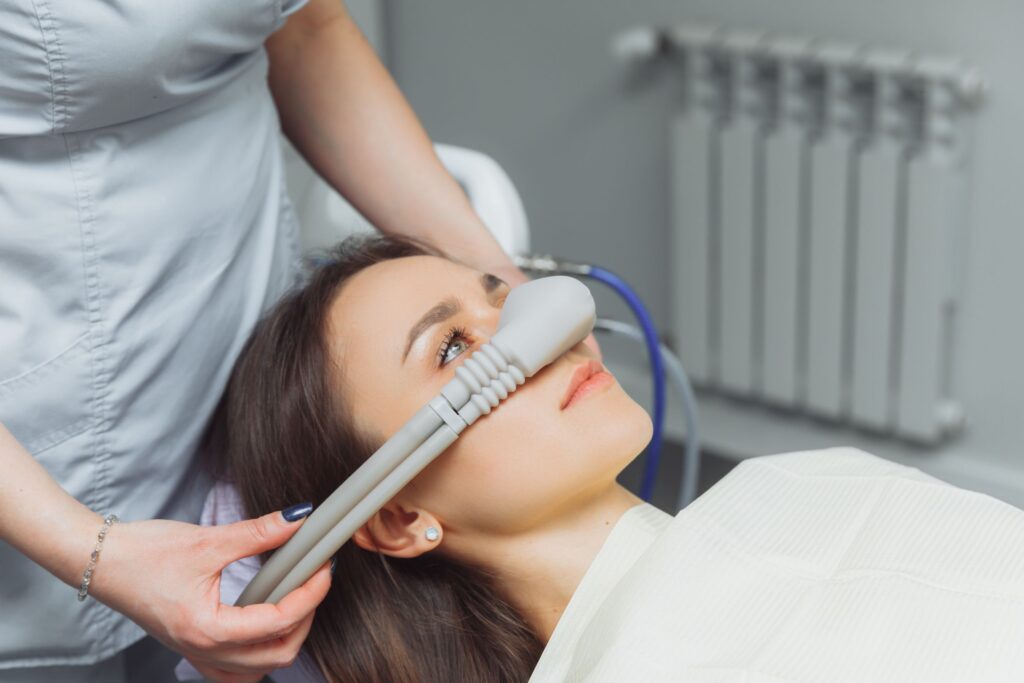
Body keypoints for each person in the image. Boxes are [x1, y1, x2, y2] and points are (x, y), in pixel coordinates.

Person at [1, 1, 602, 681]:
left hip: (238, 354)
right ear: (399, 519)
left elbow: (307, 27)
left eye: (496, 310)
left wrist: (504, 281)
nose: (526, 341)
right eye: (454, 348)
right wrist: (90, 549)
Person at [205, 233, 1024, 683]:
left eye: (504, 297)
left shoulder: (811, 479)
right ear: (398, 515)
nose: (541, 331)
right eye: (453, 346)